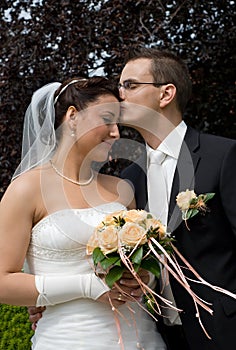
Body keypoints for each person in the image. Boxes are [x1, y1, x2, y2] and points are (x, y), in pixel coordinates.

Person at [0, 76, 167, 349]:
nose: (116, 132)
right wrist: (87, 287)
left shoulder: (121, 189)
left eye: (118, 123)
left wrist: (143, 278)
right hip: (69, 339)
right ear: (73, 116)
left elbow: (144, 266)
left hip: (143, 338)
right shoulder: (26, 190)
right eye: (106, 119)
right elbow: (3, 283)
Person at [118, 47, 236, 350]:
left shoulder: (223, 156)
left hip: (225, 329)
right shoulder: (129, 177)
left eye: (130, 85)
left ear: (165, 94)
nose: (120, 95)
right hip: (159, 334)